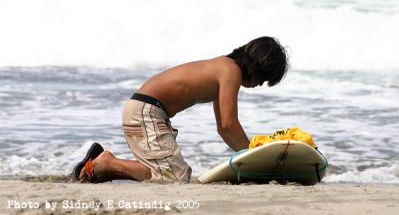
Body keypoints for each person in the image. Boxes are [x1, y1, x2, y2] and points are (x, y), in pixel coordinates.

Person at [72, 36, 289, 183]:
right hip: (146, 112)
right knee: (175, 178)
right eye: (263, 78)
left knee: (172, 175)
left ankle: (99, 170)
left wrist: (250, 157)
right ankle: (106, 163)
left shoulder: (223, 68)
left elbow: (224, 129)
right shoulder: (230, 70)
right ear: (258, 64)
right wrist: (255, 158)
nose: (260, 84)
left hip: (148, 112)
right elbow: (229, 123)